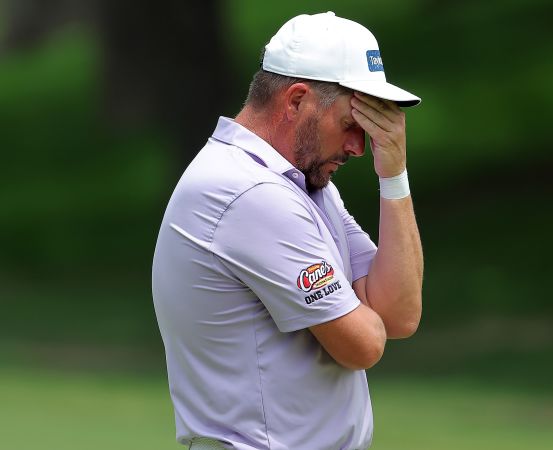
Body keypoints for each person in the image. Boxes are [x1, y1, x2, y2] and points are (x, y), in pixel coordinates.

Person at [151, 11, 423, 450]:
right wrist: (358, 305)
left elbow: (400, 315)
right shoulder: (248, 191)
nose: (359, 146)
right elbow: (365, 344)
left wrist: (393, 174)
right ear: (297, 101)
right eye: (352, 124)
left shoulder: (300, 182)